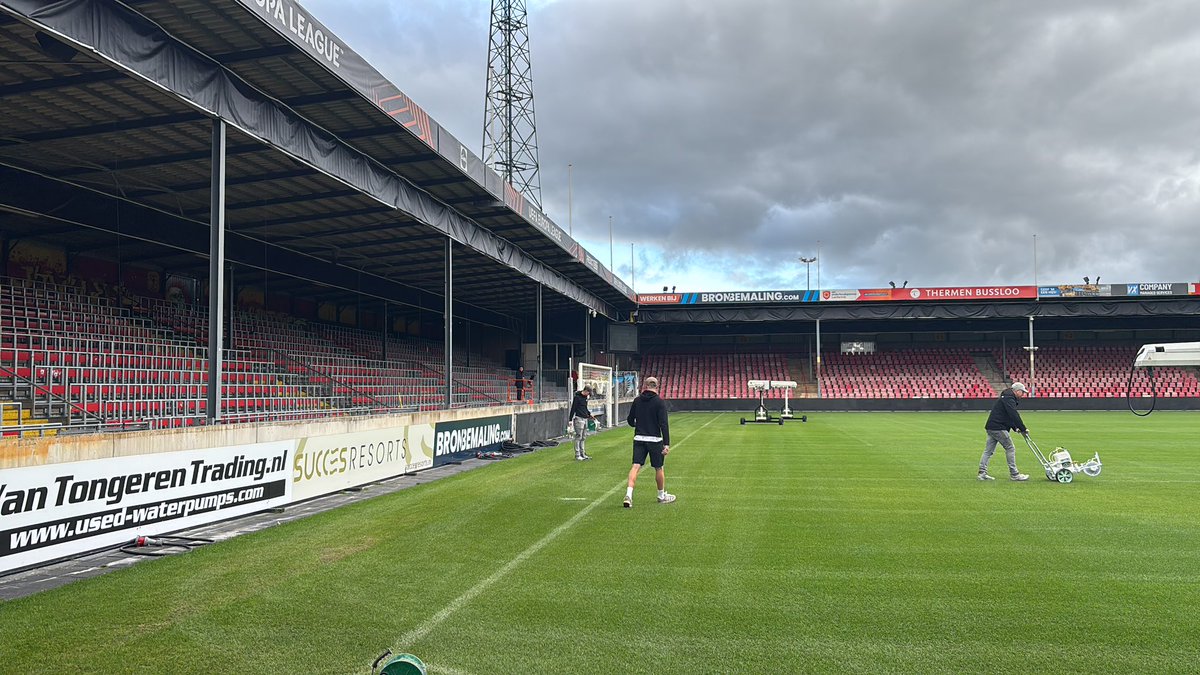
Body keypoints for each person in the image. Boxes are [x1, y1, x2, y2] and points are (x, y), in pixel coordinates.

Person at [624, 376, 674, 507]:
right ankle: (661, 495)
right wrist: (667, 444)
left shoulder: (637, 400)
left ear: (645, 386)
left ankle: (628, 495)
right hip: (655, 439)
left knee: (635, 466)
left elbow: (630, 420)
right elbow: (664, 424)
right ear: (657, 387)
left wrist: (638, 425)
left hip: (639, 438)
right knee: (658, 467)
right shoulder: (659, 402)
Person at [980, 382, 1031, 481]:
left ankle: (982, 473)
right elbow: (1013, 414)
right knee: (1010, 448)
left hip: (991, 426)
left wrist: (1016, 428)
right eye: (1022, 392)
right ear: (1017, 391)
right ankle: (1014, 474)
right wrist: (1023, 428)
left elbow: (1008, 416)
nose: (1023, 394)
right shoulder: (1009, 399)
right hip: (998, 427)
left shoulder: (1006, 397)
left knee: (988, 451)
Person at [569, 385, 595, 461]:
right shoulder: (577, 398)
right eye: (588, 393)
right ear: (586, 391)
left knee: (583, 437)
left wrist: (590, 414)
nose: (589, 395)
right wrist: (570, 420)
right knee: (578, 436)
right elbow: (573, 408)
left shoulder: (585, 398)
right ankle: (577, 455)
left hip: (585, 418)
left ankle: (582, 453)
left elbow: (585, 408)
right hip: (578, 419)